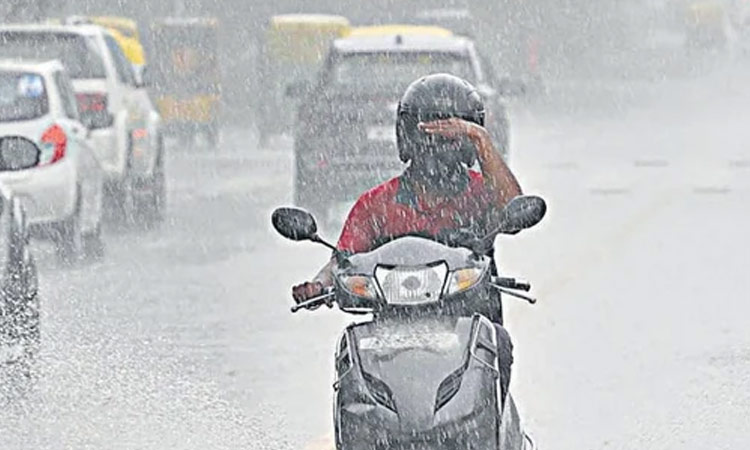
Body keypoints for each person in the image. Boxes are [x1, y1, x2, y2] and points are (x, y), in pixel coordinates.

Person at [292, 73, 522, 397]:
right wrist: (319, 285)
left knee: (500, 345)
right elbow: (343, 259)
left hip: (469, 327)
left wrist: (481, 139)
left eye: (452, 136)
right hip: (389, 339)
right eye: (430, 134)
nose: (440, 146)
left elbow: (514, 207)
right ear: (407, 138)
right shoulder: (376, 204)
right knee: (350, 360)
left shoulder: (483, 195)